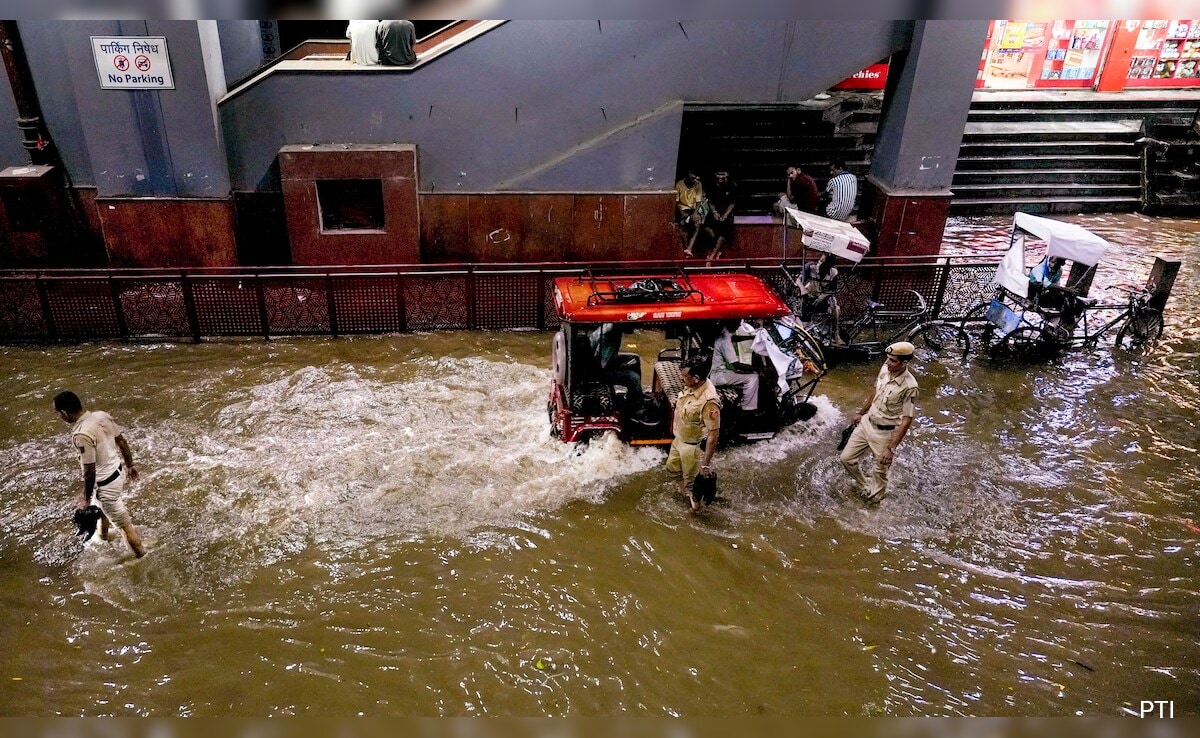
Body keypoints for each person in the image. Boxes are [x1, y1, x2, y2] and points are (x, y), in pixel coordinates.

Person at [53, 391, 145, 558]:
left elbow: (89, 471)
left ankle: (142, 557)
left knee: (125, 526)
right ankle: (103, 537)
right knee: (103, 508)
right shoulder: (101, 416)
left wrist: (86, 498)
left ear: (65, 412)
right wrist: (130, 465)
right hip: (118, 472)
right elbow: (122, 441)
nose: (59, 416)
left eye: (58, 413)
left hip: (106, 486)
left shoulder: (81, 434)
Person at [839, 341, 919, 505]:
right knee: (846, 458)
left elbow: (906, 420)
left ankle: (874, 506)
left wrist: (891, 449)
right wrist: (861, 413)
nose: (888, 363)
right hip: (867, 423)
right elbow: (875, 391)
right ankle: (864, 484)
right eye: (888, 358)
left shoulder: (910, 386)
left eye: (893, 360)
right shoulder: (885, 368)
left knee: (880, 473)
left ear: (904, 363)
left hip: (885, 434)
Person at [666, 355, 720, 512]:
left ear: (696, 378)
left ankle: (697, 511)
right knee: (672, 469)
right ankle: (685, 498)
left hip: (693, 446)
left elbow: (713, 435)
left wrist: (705, 464)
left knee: (692, 485)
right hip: (680, 439)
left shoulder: (709, 401)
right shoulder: (691, 386)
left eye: (685, 376)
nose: (682, 379)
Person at [709, 320, 759, 412]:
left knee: (750, 374)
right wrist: (757, 369)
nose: (739, 325)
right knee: (754, 377)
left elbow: (733, 338)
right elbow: (736, 365)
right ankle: (748, 408)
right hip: (719, 375)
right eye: (737, 323)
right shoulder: (724, 341)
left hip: (715, 371)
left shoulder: (723, 331)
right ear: (732, 324)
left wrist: (751, 337)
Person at [799, 251, 842, 342]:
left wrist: (822, 296)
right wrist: (802, 288)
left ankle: (836, 334)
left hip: (823, 298)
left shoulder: (833, 272)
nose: (820, 264)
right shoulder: (810, 267)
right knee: (804, 321)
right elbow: (798, 280)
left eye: (824, 263)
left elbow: (832, 290)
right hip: (810, 296)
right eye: (820, 261)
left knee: (835, 308)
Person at [703, 169, 738, 260]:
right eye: (718, 174)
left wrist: (726, 214)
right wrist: (714, 212)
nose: (720, 176)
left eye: (723, 174)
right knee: (706, 228)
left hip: (727, 212)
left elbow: (732, 203)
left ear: (727, 175)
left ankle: (712, 256)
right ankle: (718, 250)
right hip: (715, 210)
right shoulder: (712, 186)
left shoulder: (732, 186)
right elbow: (710, 202)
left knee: (725, 231)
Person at [674, 169, 708, 256]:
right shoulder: (679, 184)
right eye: (693, 174)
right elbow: (676, 202)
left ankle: (690, 248)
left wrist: (696, 213)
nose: (695, 177)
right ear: (689, 174)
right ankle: (686, 248)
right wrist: (682, 213)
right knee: (682, 224)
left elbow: (698, 201)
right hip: (682, 209)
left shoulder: (698, 184)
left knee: (697, 224)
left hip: (693, 209)